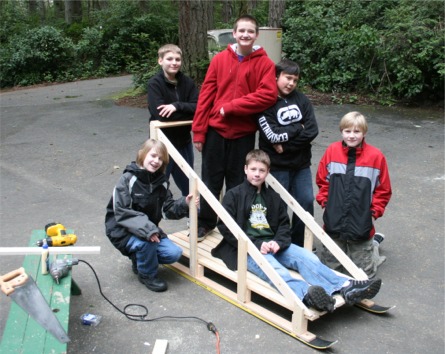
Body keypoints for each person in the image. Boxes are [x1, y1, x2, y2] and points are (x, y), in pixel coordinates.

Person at [212, 149, 382, 312]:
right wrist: (256, 244)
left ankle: (344, 286)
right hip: (248, 250)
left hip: (274, 244)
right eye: (253, 169)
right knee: (276, 270)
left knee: (307, 258)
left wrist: (278, 242)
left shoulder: (273, 197)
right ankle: (307, 295)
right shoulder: (234, 195)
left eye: (261, 170)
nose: (257, 174)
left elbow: (284, 225)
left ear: (268, 172)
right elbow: (225, 227)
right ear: (245, 169)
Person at [192, 14, 278, 241]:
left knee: (238, 183)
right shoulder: (219, 60)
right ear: (234, 33)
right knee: (210, 181)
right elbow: (206, 97)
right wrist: (199, 131)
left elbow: (268, 95)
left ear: (256, 35)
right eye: (242, 31)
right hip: (215, 132)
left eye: (250, 31)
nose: (246, 35)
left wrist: (232, 107)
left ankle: (231, 226)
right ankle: (206, 223)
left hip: (243, 134)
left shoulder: (264, 63)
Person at [105, 139, 198, 292]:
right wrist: (148, 231)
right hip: (121, 230)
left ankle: (139, 259)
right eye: (153, 156)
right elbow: (122, 211)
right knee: (146, 243)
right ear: (142, 155)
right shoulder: (127, 179)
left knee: (173, 254)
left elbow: (166, 210)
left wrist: (184, 204)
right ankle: (147, 275)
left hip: (148, 230)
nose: (156, 161)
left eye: (161, 159)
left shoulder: (162, 182)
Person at [316, 111, 392, 278]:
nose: (351, 136)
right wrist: (326, 203)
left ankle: (374, 248)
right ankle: (372, 245)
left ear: (364, 132)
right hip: (334, 221)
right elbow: (323, 181)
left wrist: (373, 213)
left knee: (364, 274)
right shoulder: (331, 151)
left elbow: (383, 190)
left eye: (356, 131)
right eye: (347, 131)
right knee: (330, 272)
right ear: (341, 131)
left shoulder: (376, 156)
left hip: (361, 222)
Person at [258, 59, 318, 247]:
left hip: (301, 165)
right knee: (279, 206)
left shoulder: (302, 100)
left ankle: (299, 244)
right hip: (277, 166)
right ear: (276, 76)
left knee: (306, 203)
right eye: (287, 78)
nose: (291, 83)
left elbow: (312, 130)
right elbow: (273, 136)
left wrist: (287, 146)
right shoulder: (265, 102)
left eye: (295, 80)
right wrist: (296, 128)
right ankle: (279, 242)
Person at [147, 44, 198, 196]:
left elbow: (198, 108)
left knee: (189, 184)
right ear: (160, 61)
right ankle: (151, 218)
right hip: (161, 144)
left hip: (184, 143)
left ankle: (193, 218)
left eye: (177, 59)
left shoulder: (187, 82)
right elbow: (161, 115)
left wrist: (177, 106)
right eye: (169, 59)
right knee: (158, 185)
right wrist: (187, 111)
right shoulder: (154, 84)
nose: (174, 62)